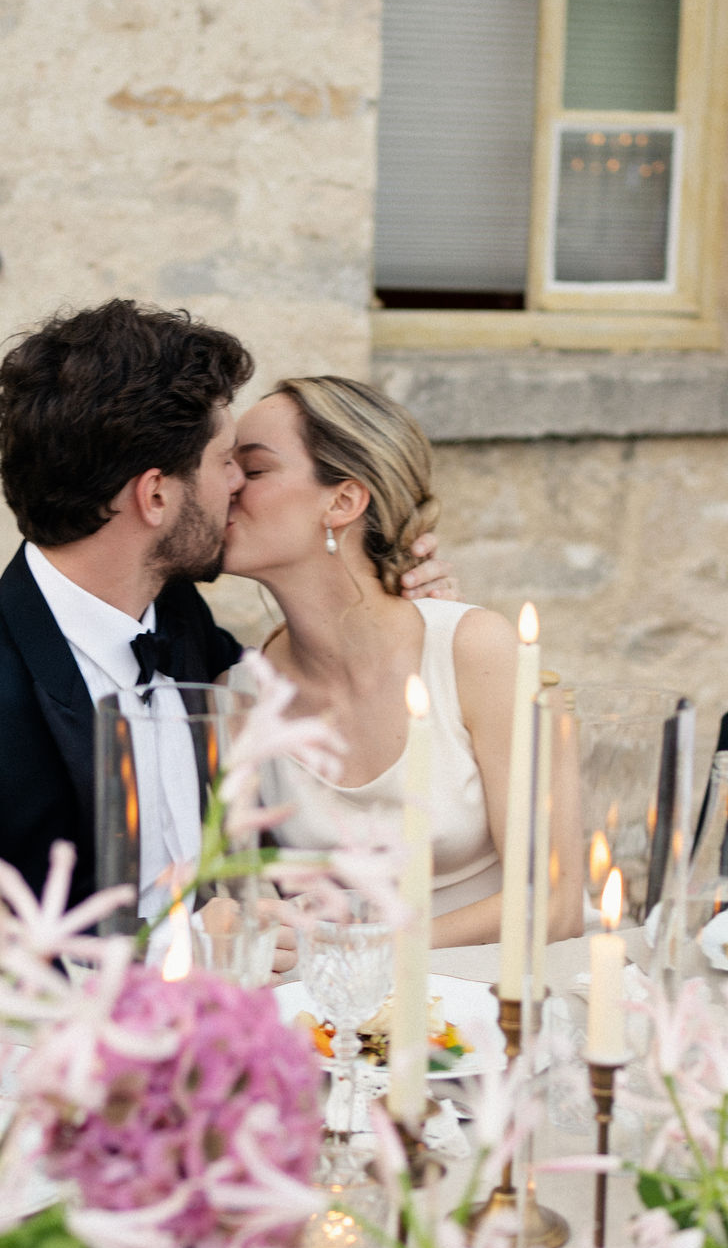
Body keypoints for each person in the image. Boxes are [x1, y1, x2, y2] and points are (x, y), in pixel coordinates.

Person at [0, 301, 452, 910]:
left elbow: (316, 683)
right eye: (226, 462)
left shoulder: (183, 622)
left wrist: (407, 603)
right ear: (156, 496)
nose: (236, 485)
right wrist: (180, 947)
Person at [224, 376, 583, 949]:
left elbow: (557, 904)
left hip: (495, 991)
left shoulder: (474, 650)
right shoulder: (240, 694)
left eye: (254, 469)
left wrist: (365, 953)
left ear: (343, 501)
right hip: (329, 1002)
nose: (228, 486)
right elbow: (242, 897)